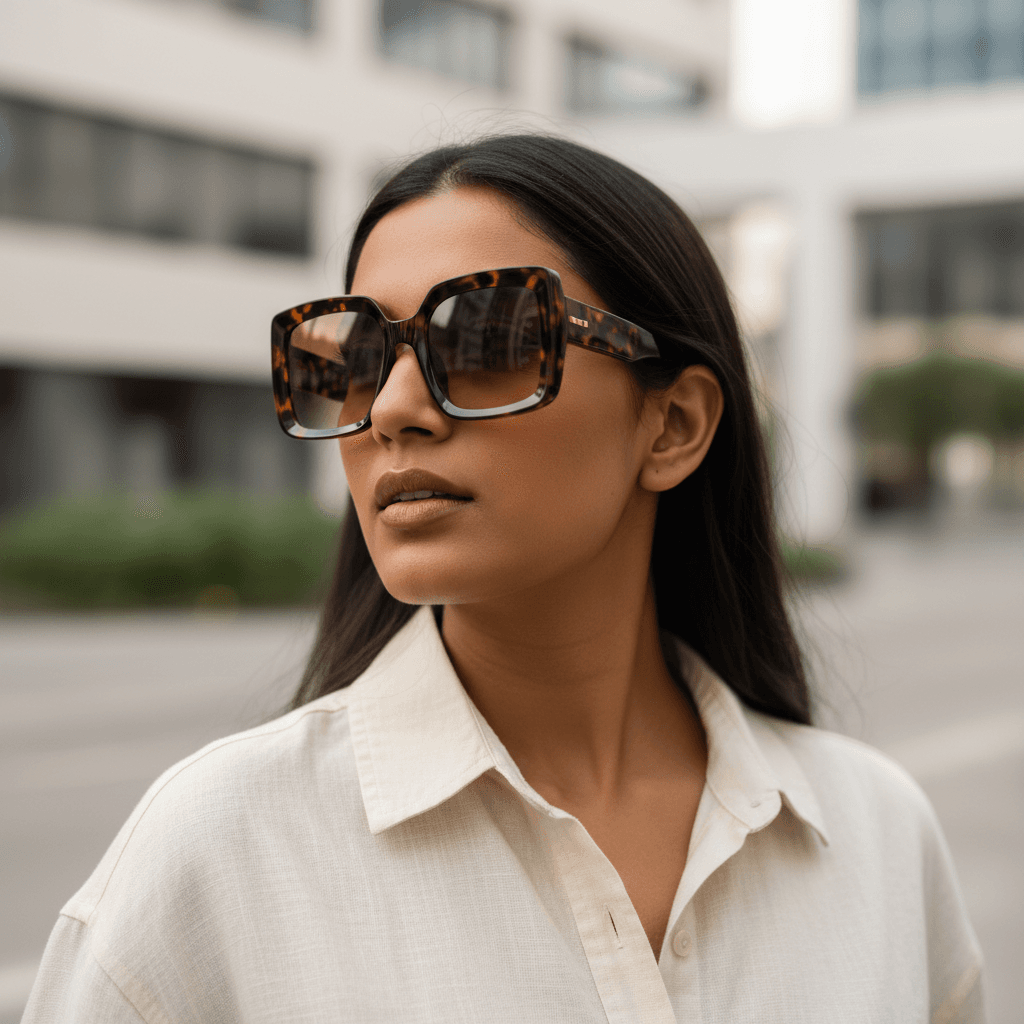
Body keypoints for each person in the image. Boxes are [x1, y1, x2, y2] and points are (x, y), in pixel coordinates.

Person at [23, 135, 983, 1023]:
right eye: (352, 356)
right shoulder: (218, 853)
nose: (393, 410)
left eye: (483, 338)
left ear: (673, 425)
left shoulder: (878, 835)